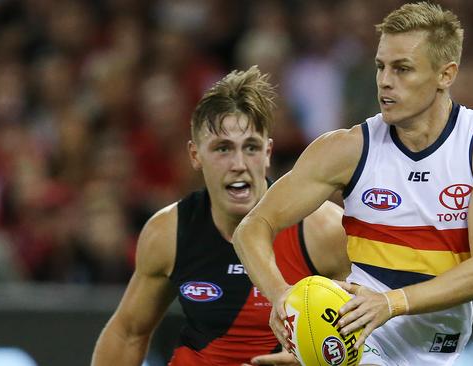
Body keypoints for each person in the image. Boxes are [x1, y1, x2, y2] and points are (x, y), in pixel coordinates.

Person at [232, 3, 473, 366]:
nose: (385, 81)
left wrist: (390, 303)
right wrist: (282, 299)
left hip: (440, 345)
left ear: (445, 75)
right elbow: (252, 227)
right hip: (361, 336)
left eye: (402, 69)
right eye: (380, 66)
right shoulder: (347, 149)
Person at [91, 66, 349, 366]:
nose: (239, 163)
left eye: (250, 147)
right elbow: (127, 333)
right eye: (223, 148)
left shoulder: (323, 229)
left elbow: (380, 338)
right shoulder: (170, 232)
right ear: (194, 155)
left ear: (268, 153)